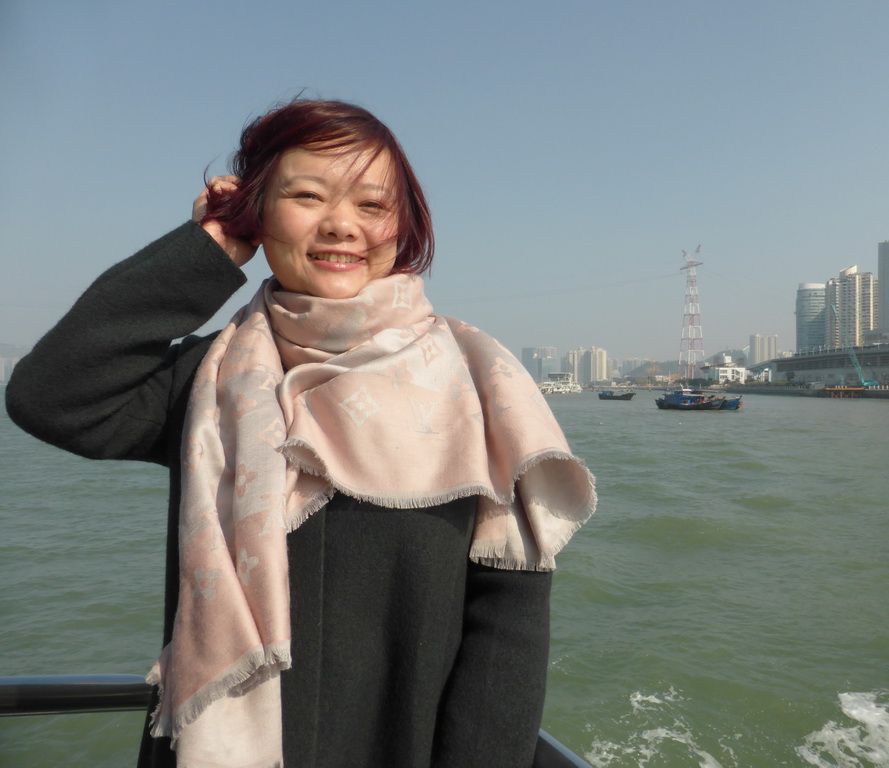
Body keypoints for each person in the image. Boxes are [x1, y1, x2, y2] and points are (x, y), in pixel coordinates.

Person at [5, 99, 596, 768]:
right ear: (258, 212)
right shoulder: (211, 379)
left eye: (372, 206)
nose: (342, 225)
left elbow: (508, 623)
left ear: (402, 227)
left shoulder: (476, 382)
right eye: (307, 196)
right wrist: (210, 250)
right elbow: (51, 396)